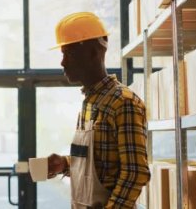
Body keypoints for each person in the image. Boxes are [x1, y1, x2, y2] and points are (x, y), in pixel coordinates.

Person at [47, 12, 151, 208]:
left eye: (67, 54)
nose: (62, 62)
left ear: (93, 53)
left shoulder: (123, 103)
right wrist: (66, 163)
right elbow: (100, 165)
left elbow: (135, 172)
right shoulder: (90, 102)